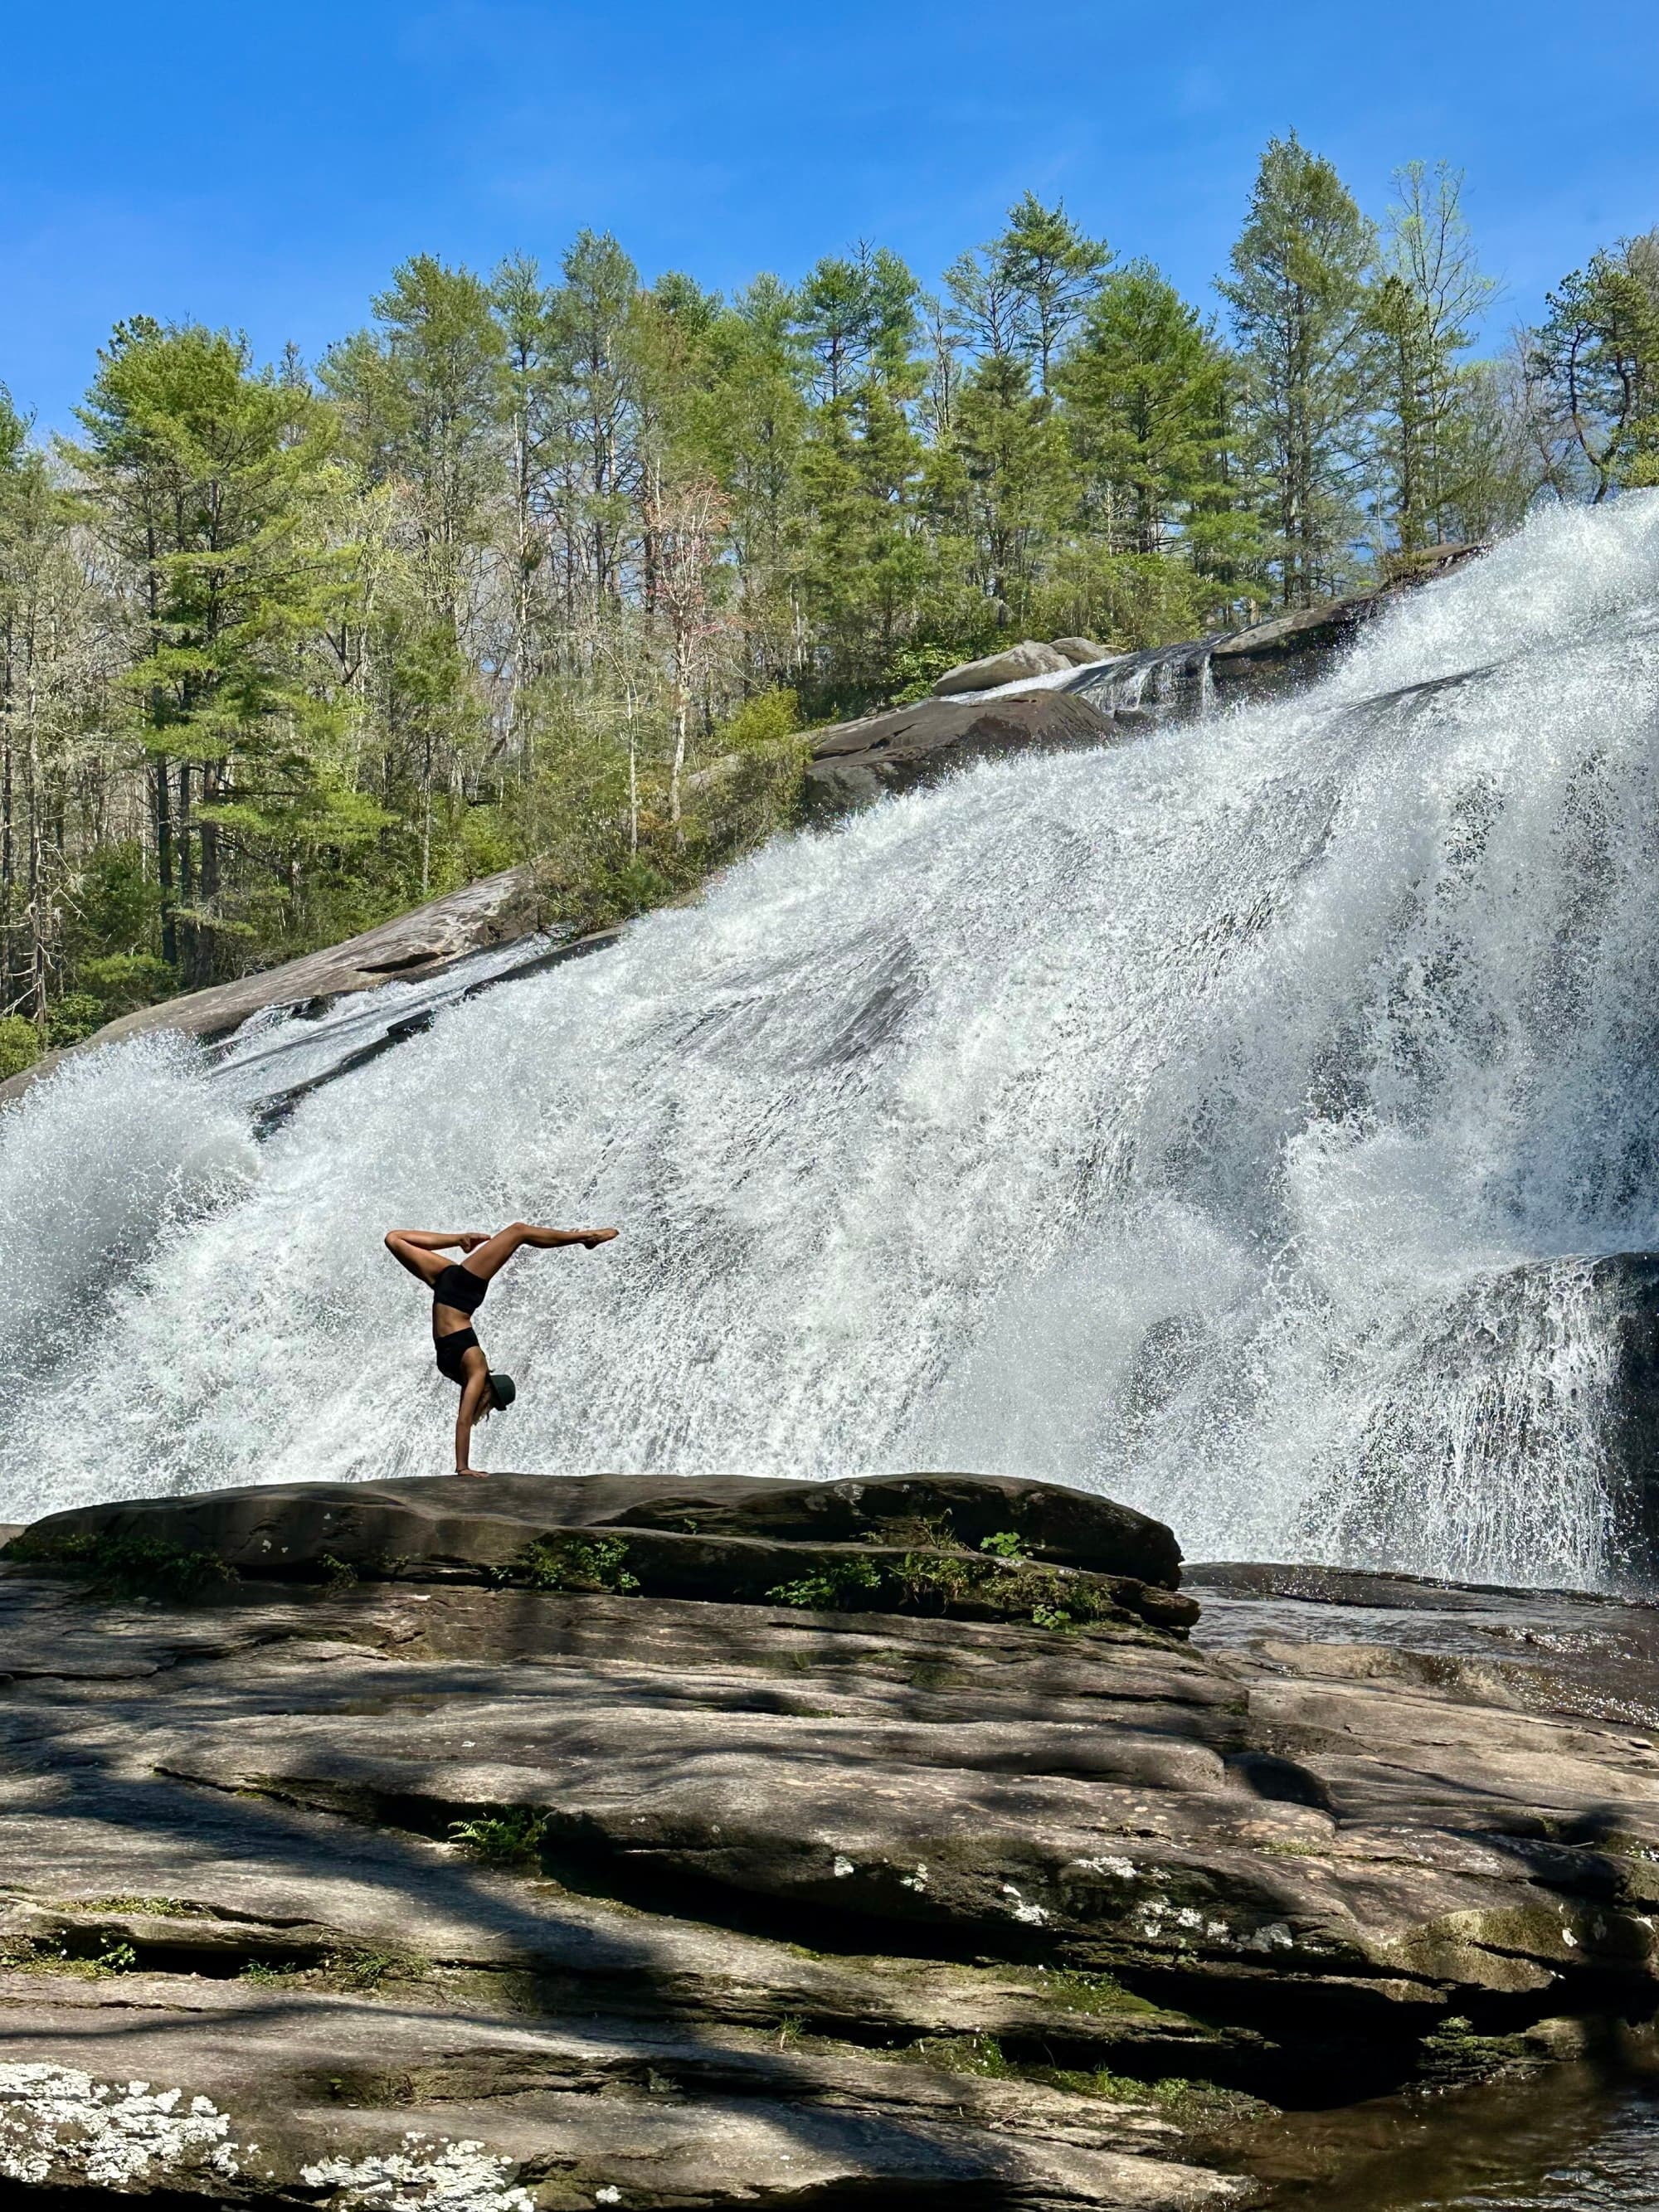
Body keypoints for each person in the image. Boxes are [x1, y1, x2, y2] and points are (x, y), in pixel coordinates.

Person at [384, 1222, 618, 1476]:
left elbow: (464, 1420)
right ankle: (583, 1238)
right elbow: (464, 1420)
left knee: (395, 1239)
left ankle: (584, 1237)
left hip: (453, 1290)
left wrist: (462, 1468)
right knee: (517, 1233)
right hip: (453, 1293)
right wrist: (462, 1467)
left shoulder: (475, 1371)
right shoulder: (467, 1370)